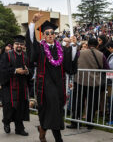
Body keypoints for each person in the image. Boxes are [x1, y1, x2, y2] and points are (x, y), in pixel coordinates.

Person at [26, 14, 78, 142]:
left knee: (54, 109)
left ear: (55, 35)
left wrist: (75, 46)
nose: (50, 35)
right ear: (43, 35)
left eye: (52, 33)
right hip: (45, 84)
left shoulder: (61, 49)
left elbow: (69, 61)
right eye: (47, 33)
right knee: (53, 108)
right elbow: (31, 41)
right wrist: (33, 22)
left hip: (59, 83)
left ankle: (43, 128)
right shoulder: (40, 48)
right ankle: (58, 138)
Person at [67, 38, 108, 130]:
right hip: (94, 83)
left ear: (88, 44)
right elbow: (106, 68)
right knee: (92, 104)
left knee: (78, 102)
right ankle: (89, 123)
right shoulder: (101, 55)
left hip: (80, 81)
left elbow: (73, 63)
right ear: (97, 45)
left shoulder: (80, 53)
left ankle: (75, 122)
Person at [0, 35, 32, 136]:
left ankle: (19, 128)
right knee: (9, 106)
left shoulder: (26, 56)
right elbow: (2, 71)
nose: (19, 46)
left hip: (22, 85)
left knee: (20, 107)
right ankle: (7, 122)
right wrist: (14, 71)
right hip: (9, 85)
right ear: (13, 45)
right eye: (17, 44)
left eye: (21, 44)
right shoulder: (7, 55)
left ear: (24, 46)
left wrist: (27, 72)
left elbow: (31, 71)